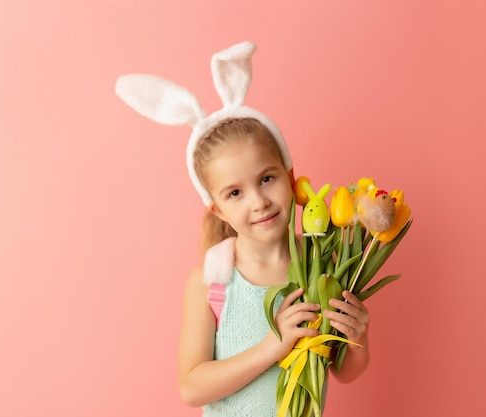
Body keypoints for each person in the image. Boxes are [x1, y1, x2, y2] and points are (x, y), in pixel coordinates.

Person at [116, 41, 370, 416]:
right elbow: (192, 386)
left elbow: (344, 371)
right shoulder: (213, 280)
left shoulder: (324, 266)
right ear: (217, 209)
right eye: (235, 192)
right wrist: (273, 346)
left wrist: (358, 336)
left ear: (290, 176)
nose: (258, 201)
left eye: (267, 179)